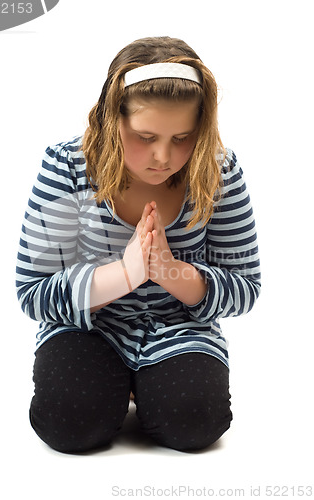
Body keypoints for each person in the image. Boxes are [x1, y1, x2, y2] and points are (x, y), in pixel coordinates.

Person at [16, 36, 261, 453]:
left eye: (182, 137)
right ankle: (117, 387)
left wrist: (171, 272)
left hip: (179, 327)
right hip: (87, 327)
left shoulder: (219, 170)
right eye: (145, 136)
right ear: (113, 119)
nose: (163, 156)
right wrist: (126, 274)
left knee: (196, 425)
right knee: (71, 424)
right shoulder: (67, 166)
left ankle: (144, 388)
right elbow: (32, 293)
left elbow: (245, 288)